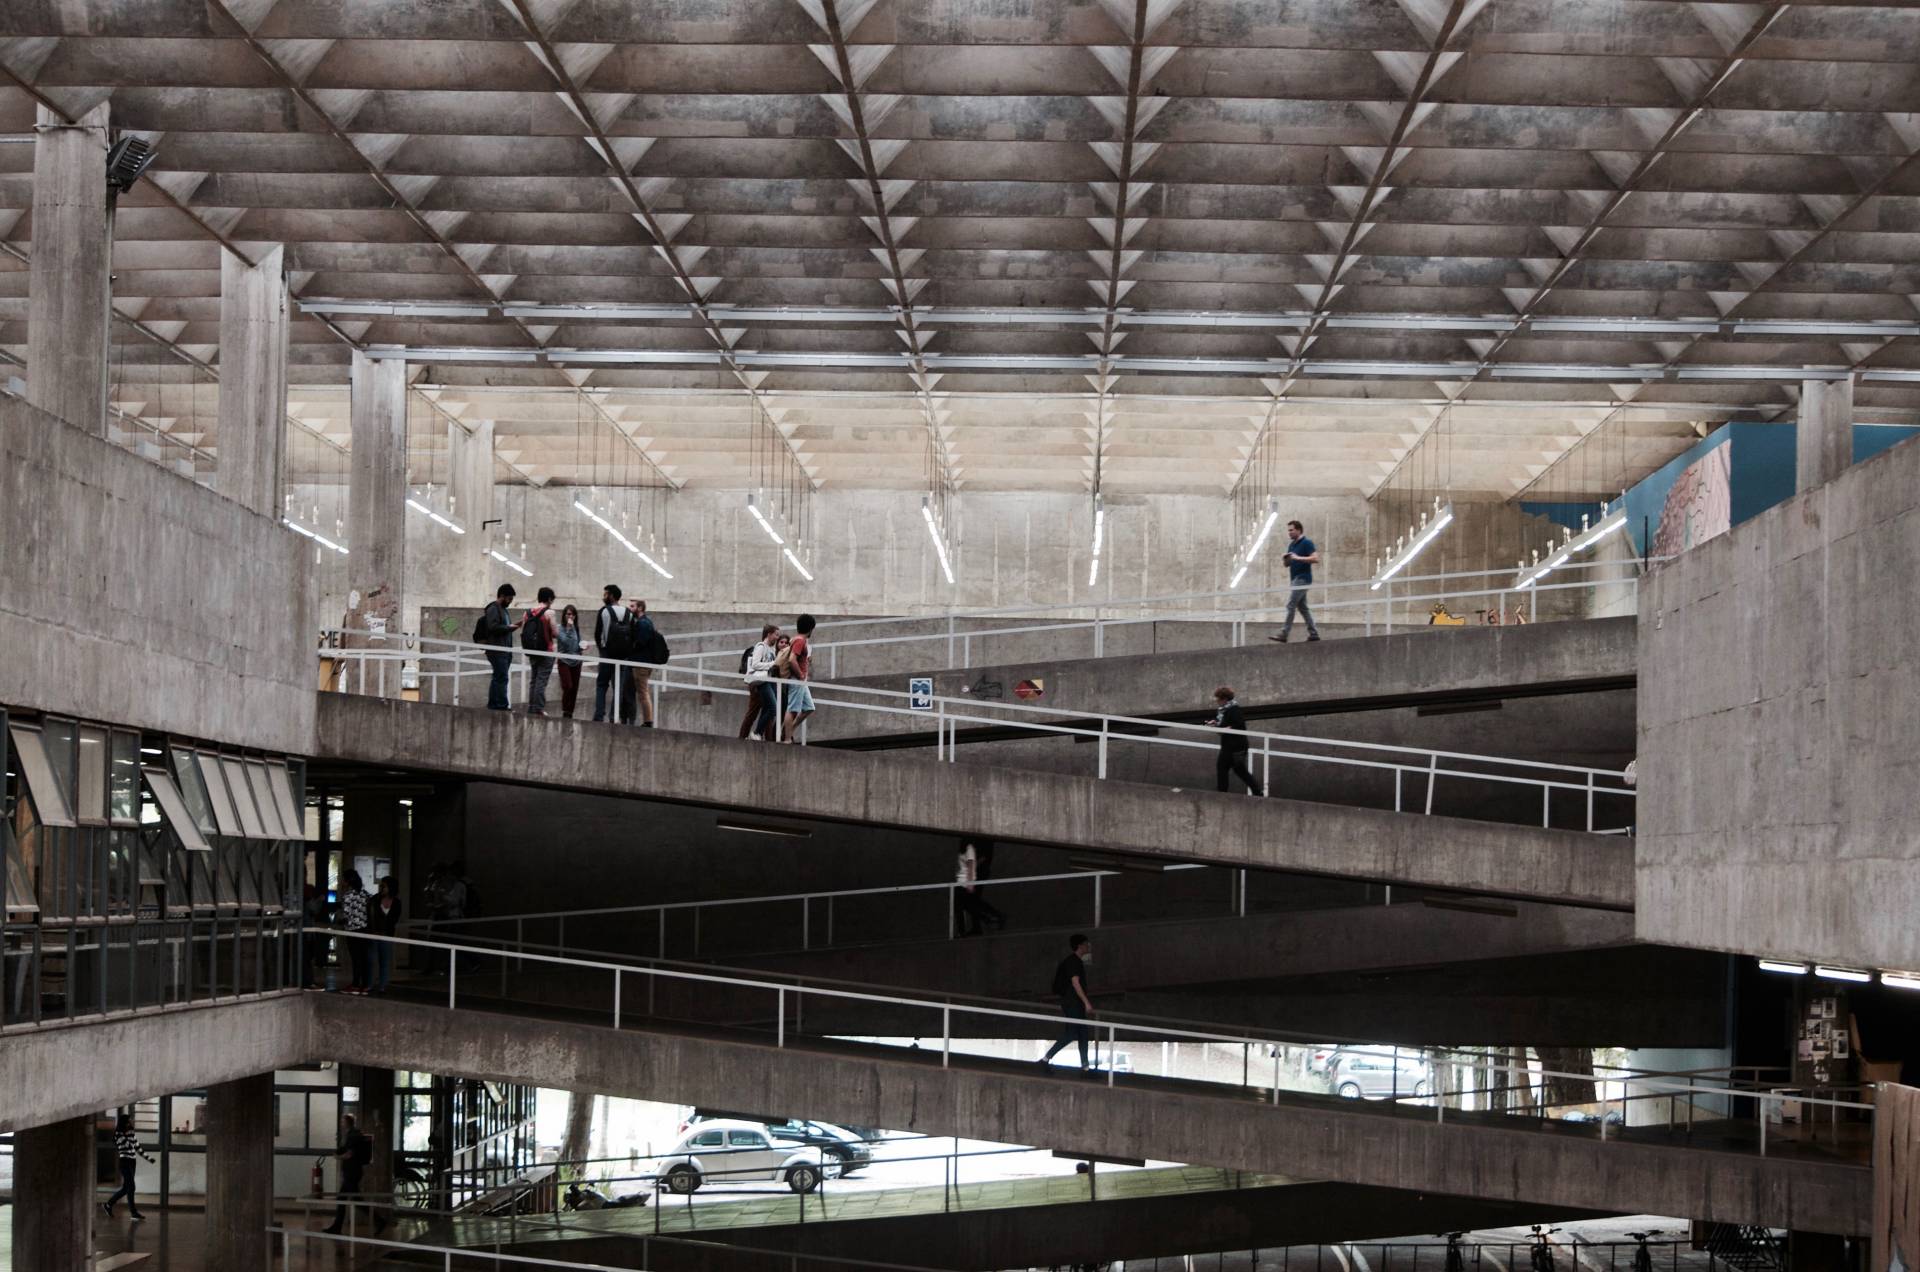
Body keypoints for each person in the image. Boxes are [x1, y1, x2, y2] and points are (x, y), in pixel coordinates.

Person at [1037, 935, 1096, 1073]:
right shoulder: (1073, 962)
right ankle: (1045, 1059)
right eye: (1086, 943)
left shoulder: (1075, 961)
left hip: (1075, 1003)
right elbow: (1075, 983)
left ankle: (1085, 1068)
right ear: (1080, 946)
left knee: (1082, 1034)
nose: (1088, 946)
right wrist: (1086, 1002)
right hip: (1073, 1003)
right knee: (1072, 1033)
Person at [1269, 520, 1321, 643]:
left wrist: (1297, 557)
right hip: (1294, 579)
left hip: (1303, 579)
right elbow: (1287, 565)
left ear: (1299, 530)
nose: (1289, 532)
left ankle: (1284, 634)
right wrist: (1286, 559)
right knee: (1303, 608)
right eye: (1288, 530)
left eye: (1291, 530)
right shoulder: (1292, 545)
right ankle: (1314, 634)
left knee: (1291, 605)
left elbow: (1315, 558)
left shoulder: (1307, 543)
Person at [322, 1113, 375, 1235]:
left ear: (347, 1122)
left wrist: (338, 1157)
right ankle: (336, 1227)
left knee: (353, 1201)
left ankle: (379, 1221)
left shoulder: (352, 1136)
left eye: (342, 1121)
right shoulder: (352, 1134)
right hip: (353, 1172)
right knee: (346, 1199)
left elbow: (349, 1154)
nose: (341, 1123)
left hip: (352, 1173)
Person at [1209, 686, 1263, 796]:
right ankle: (1257, 792)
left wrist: (1226, 728)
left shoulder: (1234, 709)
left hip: (1236, 746)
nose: (1217, 701)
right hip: (1229, 745)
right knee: (1238, 770)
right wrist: (1215, 724)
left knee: (1224, 767)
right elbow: (1222, 728)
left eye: (1218, 698)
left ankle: (1222, 794)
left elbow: (1239, 725)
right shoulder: (1222, 711)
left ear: (1224, 699)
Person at [478, 583, 522, 709]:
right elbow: (493, 627)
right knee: (501, 677)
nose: (510, 602)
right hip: (497, 649)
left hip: (504, 650)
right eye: (509, 599)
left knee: (499, 677)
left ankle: (494, 704)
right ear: (502, 596)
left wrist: (513, 626)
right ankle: (501, 705)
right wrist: (509, 627)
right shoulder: (493, 609)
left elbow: (503, 628)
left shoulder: (504, 611)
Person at [102, 1113, 153, 1220]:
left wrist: (148, 1158)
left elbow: (137, 1147)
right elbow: (128, 1145)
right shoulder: (118, 1134)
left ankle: (109, 1205)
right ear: (124, 1122)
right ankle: (132, 1212)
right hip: (124, 1161)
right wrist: (129, 1135)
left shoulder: (131, 1132)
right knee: (131, 1187)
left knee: (127, 1188)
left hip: (132, 1161)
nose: (131, 1121)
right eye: (129, 1120)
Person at [954, 841, 1005, 936]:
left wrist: (970, 873)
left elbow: (983, 857)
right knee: (970, 900)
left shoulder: (981, 842)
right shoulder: (974, 843)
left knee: (969, 900)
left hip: (976, 873)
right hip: (972, 873)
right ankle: (981, 924)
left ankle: (992, 918)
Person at [780, 613, 818, 743]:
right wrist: (801, 675)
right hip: (797, 680)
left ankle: (788, 730)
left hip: (800, 680)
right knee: (792, 709)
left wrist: (806, 661)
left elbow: (796, 658)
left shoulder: (795, 640)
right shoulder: (800, 641)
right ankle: (787, 739)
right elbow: (792, 660)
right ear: (810, 628)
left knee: (809, 708)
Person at [522, 586, 559, 716]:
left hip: (532, 650)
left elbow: (524, 632)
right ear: (549, 599)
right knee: (541, 680)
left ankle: (531, 707)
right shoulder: (549, 613)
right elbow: (555, 633)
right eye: (552, 600)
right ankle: (539, 708)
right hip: (546, 650)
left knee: (534, 679)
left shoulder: (527, 613)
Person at [739, 624, 779, 740]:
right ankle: (754, 734)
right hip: (761, 682)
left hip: (768, 681)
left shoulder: (772, 649)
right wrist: (772, 664)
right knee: (769, 708)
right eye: (776, 635)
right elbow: (755, 664)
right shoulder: (761, 646)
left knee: (769, 709)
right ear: (769, 634)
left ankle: (758, 734)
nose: (777, 637)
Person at [592, 584, 625, 722]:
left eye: (605, 594)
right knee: (618, 687)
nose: (603, 596)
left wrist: (601, 650)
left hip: (606, 653)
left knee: (601, 685)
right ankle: (614, 717)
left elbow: (597, 633)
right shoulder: (627, 612)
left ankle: (599, 715)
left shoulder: (604, 611)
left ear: (611, 595)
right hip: (622, 655)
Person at [338, 869, 371, 994]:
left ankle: (356, 984)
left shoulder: (347, 896)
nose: (342, 882)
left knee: (356, 958)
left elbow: (345, 916)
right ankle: (365, 984)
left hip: (352, 930)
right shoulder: (364, 894)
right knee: (364, 958)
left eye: (343, 879)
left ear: (347, 881)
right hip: (365, 929)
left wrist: (338, 920)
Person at [626, 599, 659, 728]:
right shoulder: (645, 622)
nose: (630, 609)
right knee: (642, 692)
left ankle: (648, 721)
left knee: (643, 693)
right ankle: (647, 720)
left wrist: (631, 646)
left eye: (632, 606)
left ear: (640, 608)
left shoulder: (643, 623)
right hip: (643, 662)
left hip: (641, 663)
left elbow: (640, 642)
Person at [370, 876, 402, 994]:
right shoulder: (375, 899)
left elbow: (394, 919)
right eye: (381, 886)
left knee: (384, 962)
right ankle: (370, 984)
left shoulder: (397, 902)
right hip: (374, 935)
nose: (381, 888)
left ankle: (383, 986)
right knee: (371, 961)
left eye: (384, 886)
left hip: (387, 935)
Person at [556, 604, 585, 718]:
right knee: (568, 685)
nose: (570, 617)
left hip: (576, 661)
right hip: (564, 661)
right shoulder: (560, 628)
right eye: (568, 614)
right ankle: (565, 709)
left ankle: (570, 713)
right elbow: (565, 642)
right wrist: (568, 628)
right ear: (564, 615)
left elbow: (577, 643)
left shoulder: (576, 628)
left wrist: (582, 646)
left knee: (575, 688)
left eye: (573, 614)